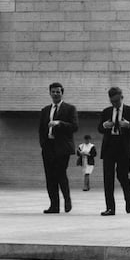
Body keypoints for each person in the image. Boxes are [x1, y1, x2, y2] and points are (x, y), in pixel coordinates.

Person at [97, 86, 130, 216]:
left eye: (117, 101)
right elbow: (99, 128)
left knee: (122, 175)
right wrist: (104, 126)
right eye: (112, 101)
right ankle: (110, 208)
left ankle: (128, 199)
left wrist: (129, 125)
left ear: (121, 98)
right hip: (109, 147)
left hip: (124, 148)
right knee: (108, 178)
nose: (115, 104)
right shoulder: (106, 111)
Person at [38, 82, 78, 214]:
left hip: (62, 148)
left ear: (62, 93)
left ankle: (67, 199)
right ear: (49, 93)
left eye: (58, 92)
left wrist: (59, 123)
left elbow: (74, 127)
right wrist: (43, 144)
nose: (55, 94)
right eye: (53, 92)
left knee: (60, 174)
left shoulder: (70, 109)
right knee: (50, 177)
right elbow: (41, 129)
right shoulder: (45, 110)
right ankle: (54, 205)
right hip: (48, 147)